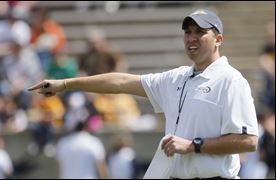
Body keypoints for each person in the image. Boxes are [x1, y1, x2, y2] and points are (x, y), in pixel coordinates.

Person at [28, 9, 259, 179]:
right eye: (187, 32)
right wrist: (65, 84)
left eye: (200, 32)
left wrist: (193, 145)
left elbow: (248, 141)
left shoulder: (231, 81)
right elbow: (121, 81)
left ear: (218, 39)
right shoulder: (176, 77)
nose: (191, 38)